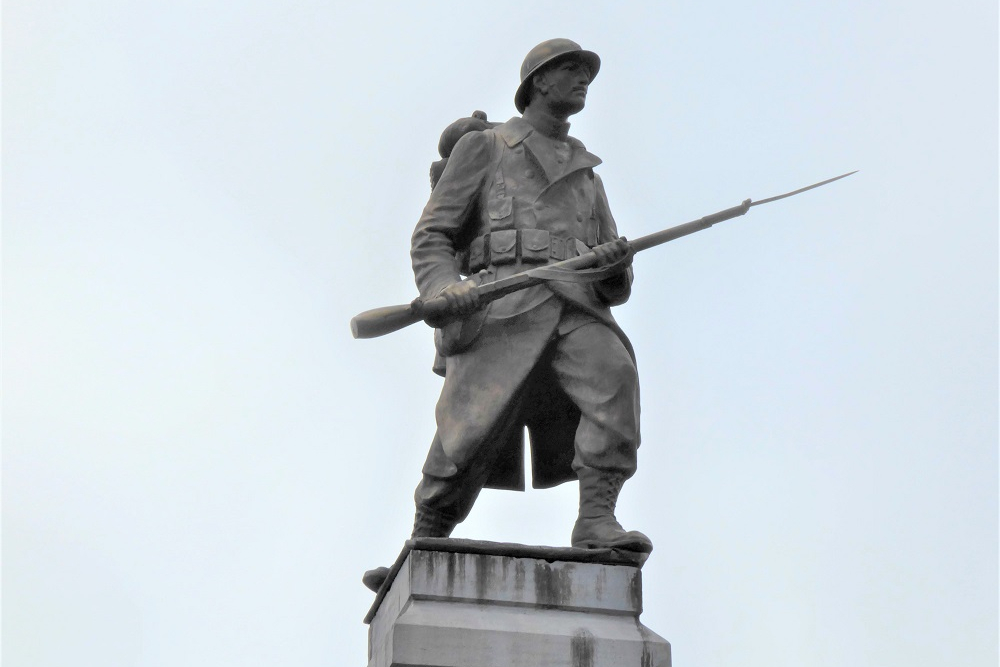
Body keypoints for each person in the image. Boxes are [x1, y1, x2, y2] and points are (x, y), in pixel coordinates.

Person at [409, 38, 651, 554]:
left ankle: (596, 518)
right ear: (540, 81)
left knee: (615, 379)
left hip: (576, 302)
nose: (583, 80)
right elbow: (433, 235)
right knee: (468, 431)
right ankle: (425, 537)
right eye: (570, 70)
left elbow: (614, 275)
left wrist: (614, 268)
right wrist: (443, 286)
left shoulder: (587, 173)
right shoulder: (487, 146)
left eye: (585, 72)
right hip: (501, 302)